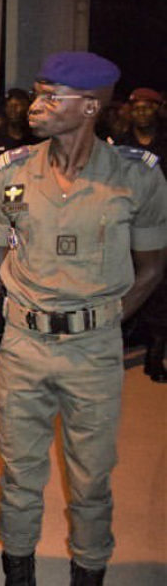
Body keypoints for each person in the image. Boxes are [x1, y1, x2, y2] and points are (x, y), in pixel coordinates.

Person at [0, 52, 167, 586]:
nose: (34, 107)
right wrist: (25, 305)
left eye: (50, 97)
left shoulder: (137, 178)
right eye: (36, 94)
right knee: (19, 472)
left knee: (91, 478)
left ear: (89, 106)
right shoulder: (11, 171)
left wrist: (103, 318)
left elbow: (152, 267)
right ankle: (18, 571)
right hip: (24, 344)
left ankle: (89, 572)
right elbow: (0, 253)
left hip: (94, 351)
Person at [115, 88, 167, 382]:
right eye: (138, 108)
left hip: (161, 223)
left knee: (160, 288)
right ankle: (116, 348)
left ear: (158, 110)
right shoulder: (119, 145)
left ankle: (155, 355)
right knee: (124, 285)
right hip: (126, 224)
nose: (143, 113)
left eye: (149, 108)